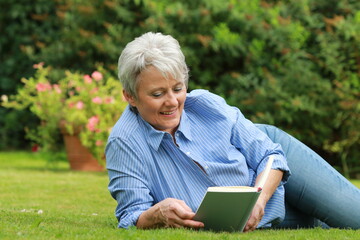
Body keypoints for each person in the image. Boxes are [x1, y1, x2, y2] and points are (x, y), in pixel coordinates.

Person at [106, 32, 360, 231]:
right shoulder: (125, 142)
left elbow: (270, 155)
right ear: (130, 96)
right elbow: (131, 216)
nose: (172, 101)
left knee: (354, 215)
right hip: (260, 214)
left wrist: (258, 203)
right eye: (157, 94)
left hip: (269, 167)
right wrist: (155, 215)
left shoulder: (208, 104)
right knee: (330, 222)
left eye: (178, 88)